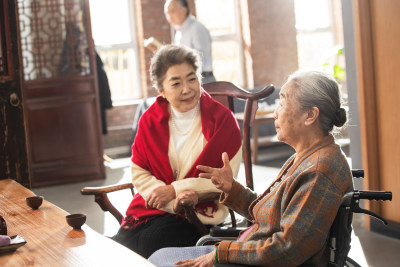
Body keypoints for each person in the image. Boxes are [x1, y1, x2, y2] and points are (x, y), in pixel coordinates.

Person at [148, 70, 354, 267]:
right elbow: (269, 215)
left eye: (282, 103)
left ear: (310, 115)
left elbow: (288, 249)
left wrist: (222, 253)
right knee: (157, 256)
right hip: (250, 250)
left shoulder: (319, 171)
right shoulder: (307, 157)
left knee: (161, 262)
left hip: (257, 260)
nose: (275, 113)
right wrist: (232, 188)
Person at [111, 44, 242, 258]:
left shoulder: (223, 121)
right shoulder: (150, 121)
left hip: (199, 214)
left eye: (192, 79)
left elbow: (227, 179)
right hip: (153, 209)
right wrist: (168, 198)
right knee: (119, 247)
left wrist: (174, 190)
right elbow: (140, 172)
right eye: (176, 83)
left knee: (151, 243)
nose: (187, 89)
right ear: (161, 90)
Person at [164, 0, 216, 84]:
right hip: (187, 80)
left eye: (172, 11)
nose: (169, 16)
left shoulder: (197, 28)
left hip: (203, 79)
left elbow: (201, 57)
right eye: (167, 13)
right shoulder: (179, 32)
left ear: (184, 11)